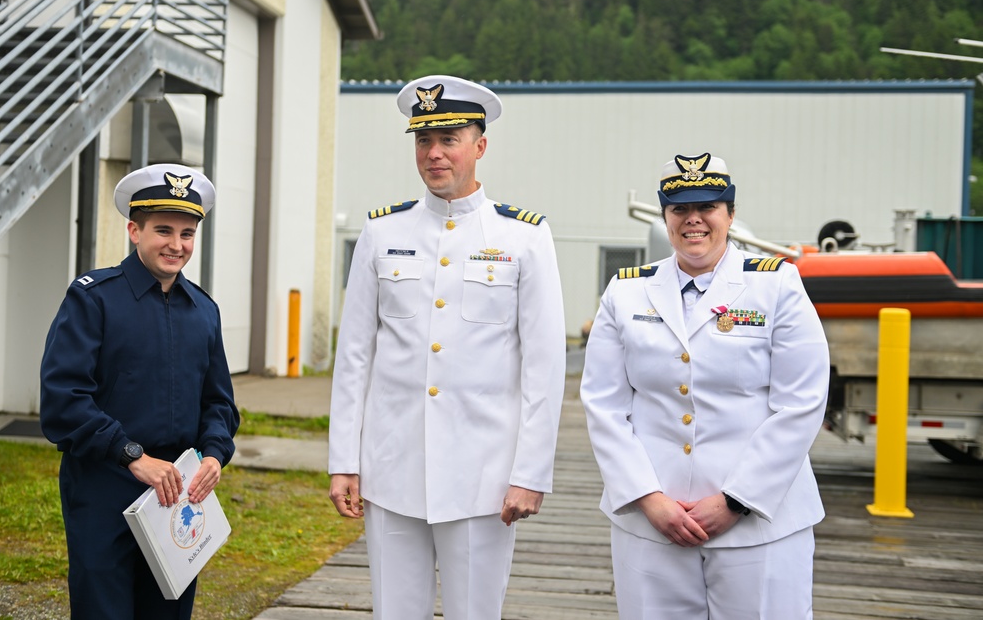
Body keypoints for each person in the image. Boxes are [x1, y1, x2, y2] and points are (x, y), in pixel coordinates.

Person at [328, 74, 566, 619]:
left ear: (480, 146)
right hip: (392, 468)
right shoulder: (381, 233)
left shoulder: (523, 237)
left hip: (482, 474)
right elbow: (354, 357)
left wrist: (530, 473)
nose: (434, 154)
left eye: (449, 139)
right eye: (422, 140)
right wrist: (344, 459)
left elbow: (545, 365)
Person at [580, 152, 830, 619]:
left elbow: (802, 402)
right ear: (665, 217)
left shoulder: (776, 285)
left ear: (730, 214)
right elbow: (603, 403)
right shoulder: (627, 290)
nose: (693, 220)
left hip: (759, 525)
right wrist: (647, 498)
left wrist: (737, 500)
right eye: (679, 209)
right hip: (653, 524)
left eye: (708, 206)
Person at [40, 163, 240, 620]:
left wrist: (213, 454)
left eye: (187, 233)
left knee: (168, 611)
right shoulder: (93, 299)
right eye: (163, 230)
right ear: (134, 230)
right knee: (103, 609)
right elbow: (62, 399)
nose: (176, 244)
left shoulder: (204, 311)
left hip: (177, 494)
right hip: (104, 485)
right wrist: (132, 455)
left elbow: (219, 403)